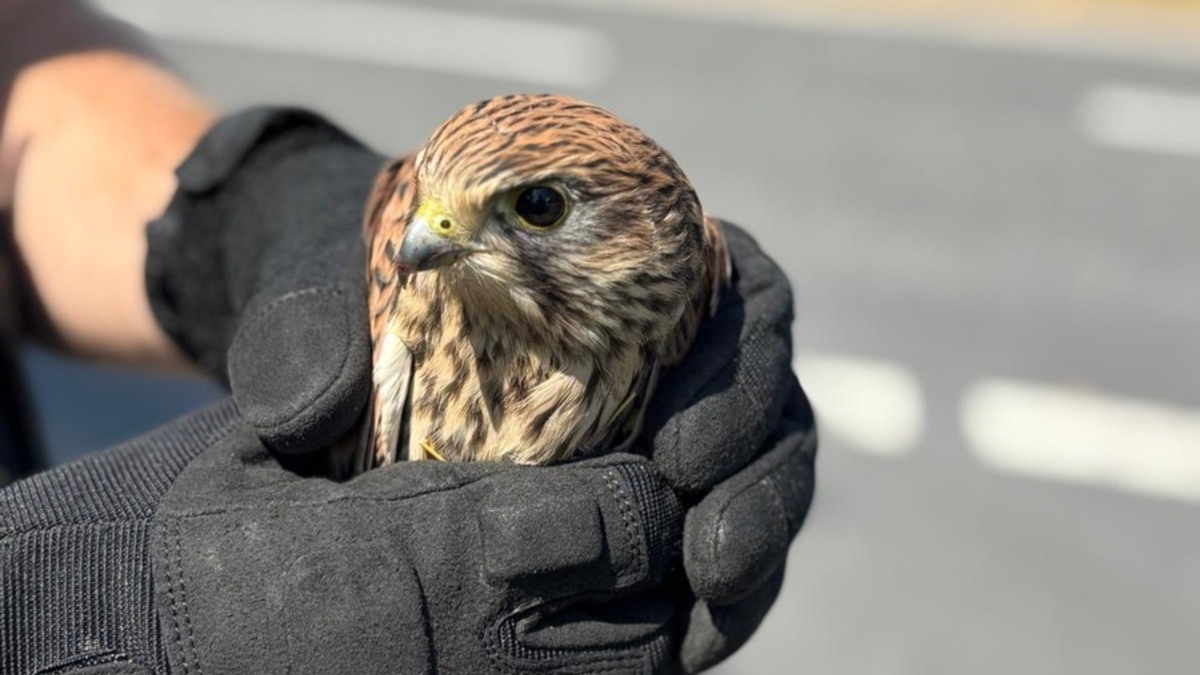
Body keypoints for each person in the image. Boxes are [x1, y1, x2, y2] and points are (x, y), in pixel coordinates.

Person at [0, 1, 816, 674]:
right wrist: (60, 612)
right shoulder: (421, 316)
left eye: (536, 208)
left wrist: (236, 204)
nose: (425, 236)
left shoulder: (679, 284)